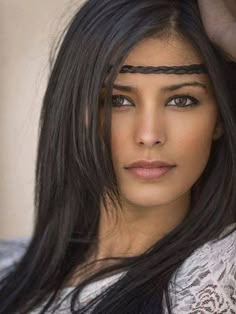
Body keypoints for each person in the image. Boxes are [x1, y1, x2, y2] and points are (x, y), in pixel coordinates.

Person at [0, 0, 236, 313]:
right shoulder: (8, 266)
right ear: (75, 113)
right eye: (119, 100)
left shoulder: (222, 273)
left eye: (181, 99)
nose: (149, 134)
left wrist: (228, 32)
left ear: (219, 116)